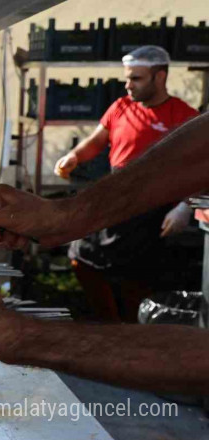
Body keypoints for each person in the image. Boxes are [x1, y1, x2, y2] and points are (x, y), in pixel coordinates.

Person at [0, 111, 209, 394]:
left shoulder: (178, 107)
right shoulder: (120, 108)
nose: (129, 84)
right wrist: (64, 216)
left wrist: (13, 336)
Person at [52, 46, 199, 322]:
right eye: (127, 78)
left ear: (160, 77)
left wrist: (184, 206)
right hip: (116, 195)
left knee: (136, 278)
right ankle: (109, 321)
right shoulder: (120, 107)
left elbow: (199, 167)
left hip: (153, 205)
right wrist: (73, 156)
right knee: (80, 256)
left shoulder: (183, 116)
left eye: (136, 78)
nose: (128, 85)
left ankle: (133, 329)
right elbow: (96, 140)